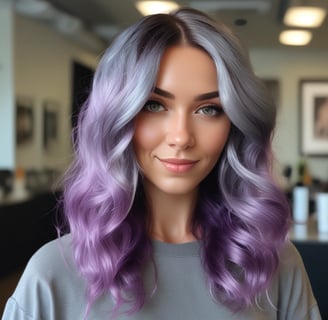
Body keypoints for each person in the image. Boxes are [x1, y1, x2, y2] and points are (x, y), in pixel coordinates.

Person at [2, 8, 321, 320]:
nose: (181, 136)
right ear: (117, 116)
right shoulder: (52, 276)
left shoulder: (275, 264)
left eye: (208, 109)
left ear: (234, 124)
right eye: (154, 105)